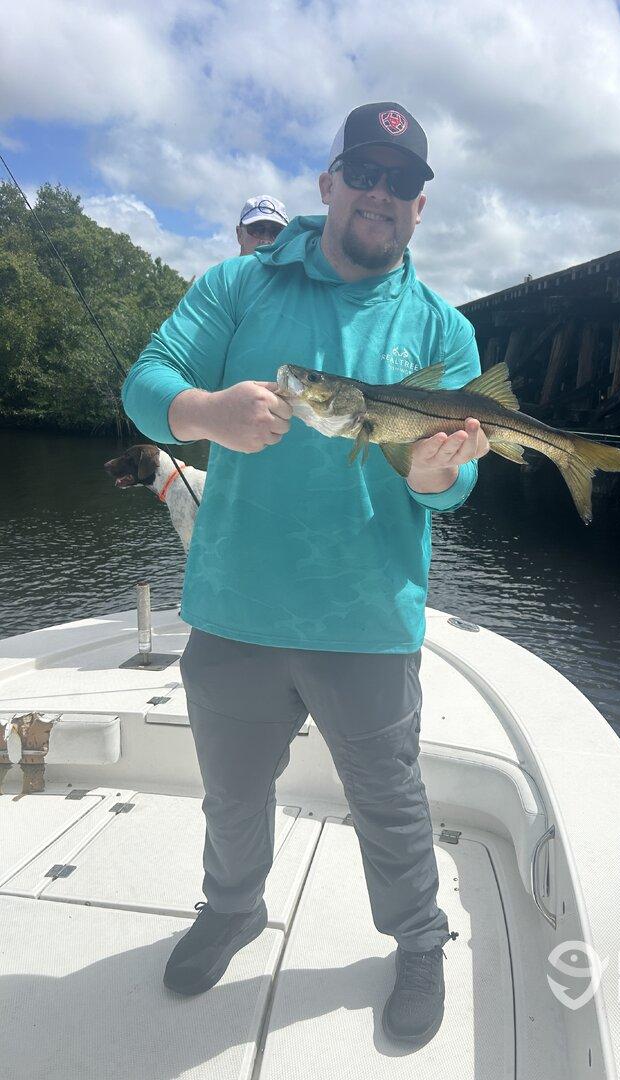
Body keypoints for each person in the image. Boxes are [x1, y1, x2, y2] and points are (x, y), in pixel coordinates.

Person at [121, 101, 489, 1046]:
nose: (381, 193)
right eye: (363, 173)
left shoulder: (444, 330)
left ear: (419, 209)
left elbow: (447, 485)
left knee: (389, 796)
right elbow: (148, 379)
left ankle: (417, 939)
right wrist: (203, 414)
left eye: (403, 182)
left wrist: (442, 476)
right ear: (327, 184)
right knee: (232, 790)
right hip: (237, 605)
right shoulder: (241, 284)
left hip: (367, 616)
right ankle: (233, 908)